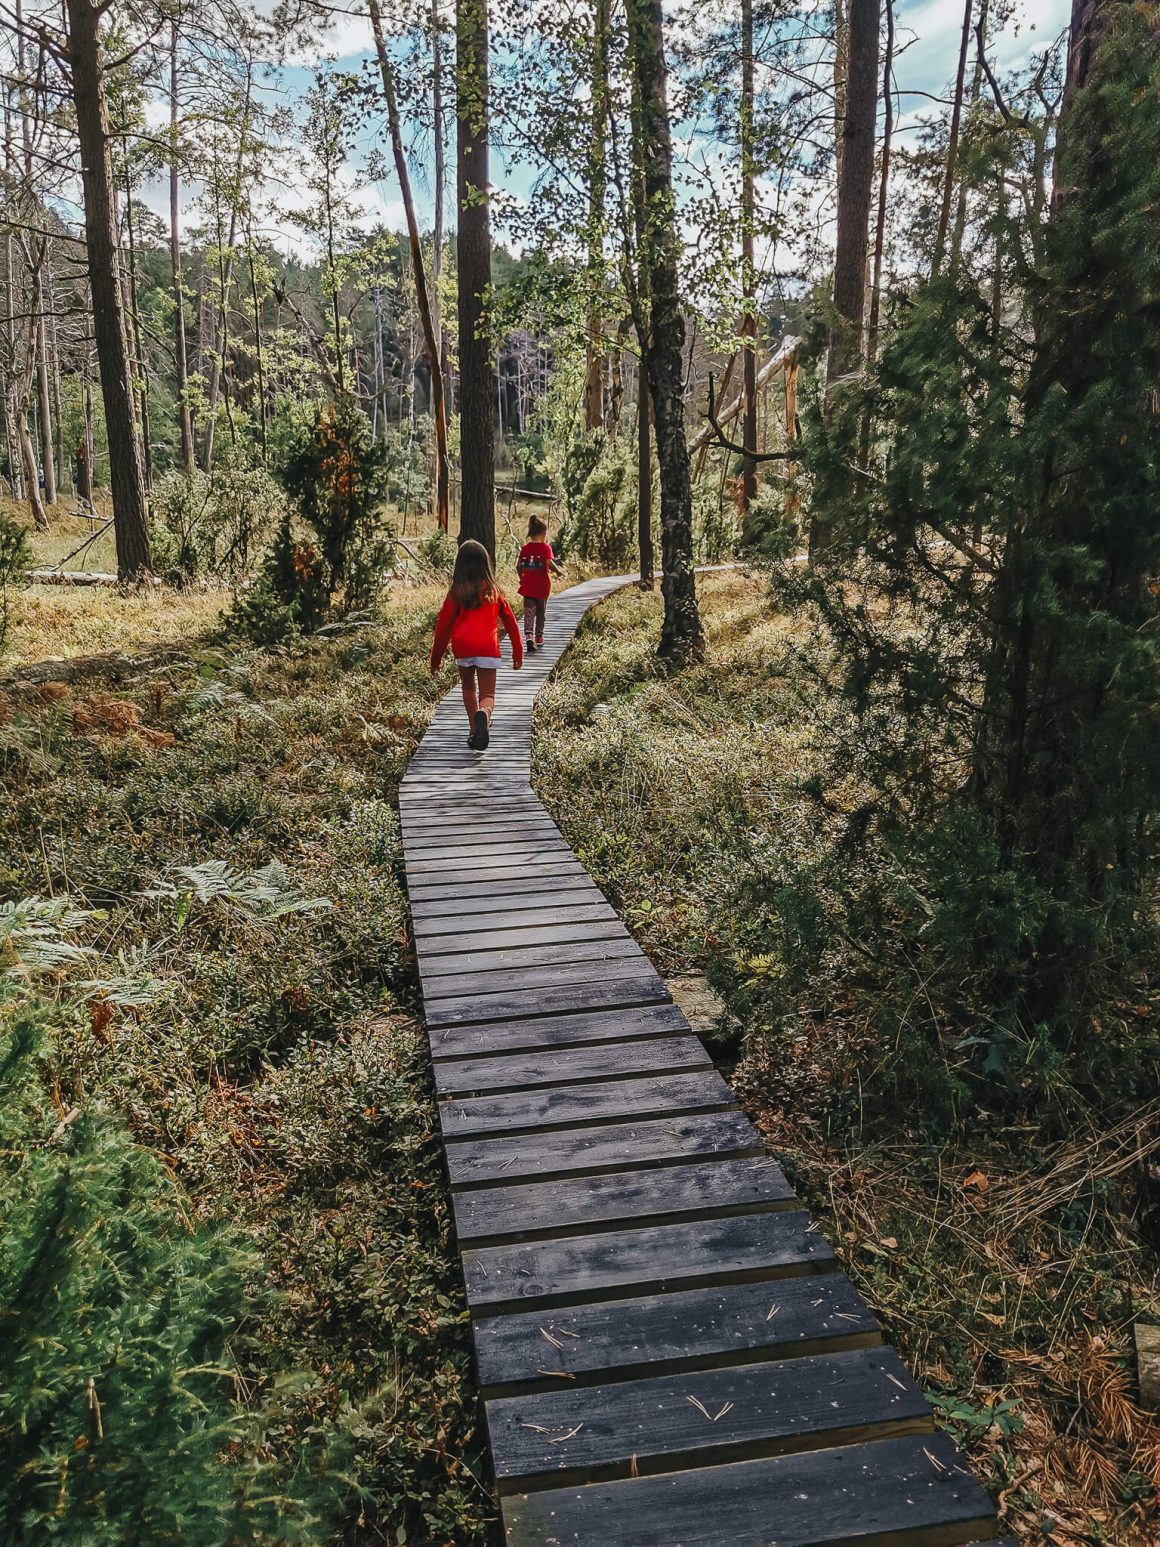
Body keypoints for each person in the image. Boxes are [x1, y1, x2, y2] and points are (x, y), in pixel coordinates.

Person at [430, 539, 523, 750]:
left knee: (468, 687)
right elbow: (511, 621)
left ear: (459, 565)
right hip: (488, 648)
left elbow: (443, 626)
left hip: (463, 647)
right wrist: (517, 652)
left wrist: (435, 658)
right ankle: (485, 715)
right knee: (487, 695)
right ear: (485, 564)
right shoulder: (494, 591)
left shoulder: (457, 591)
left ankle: (474, 729)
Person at [516, 514, 563, 654]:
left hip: (528, 585)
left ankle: (529, 635)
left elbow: (518, 566)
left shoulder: (524, 549)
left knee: (529, 611)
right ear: (543, 533)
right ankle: (539, 637)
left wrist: (521, 578)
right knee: (541, 612)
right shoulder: (545, 548)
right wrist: (559, 571)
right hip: (542, 586)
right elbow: (549, 563)